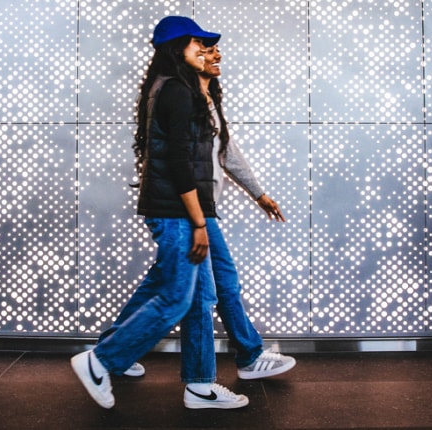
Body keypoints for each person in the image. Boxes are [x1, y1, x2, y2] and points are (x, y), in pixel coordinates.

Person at [72, 16, 293, 410]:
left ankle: (202, 380)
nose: (210, 51)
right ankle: (103, 361)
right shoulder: (176, 92)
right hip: (181, 210)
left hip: (190, 209)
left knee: (202, 288)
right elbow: (179, 162)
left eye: (210, 47)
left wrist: (256, 195)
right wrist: (197, 222)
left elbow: (218, 153)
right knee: (180, 297)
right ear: (177, 49)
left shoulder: (192, 93)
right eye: (200, 45)